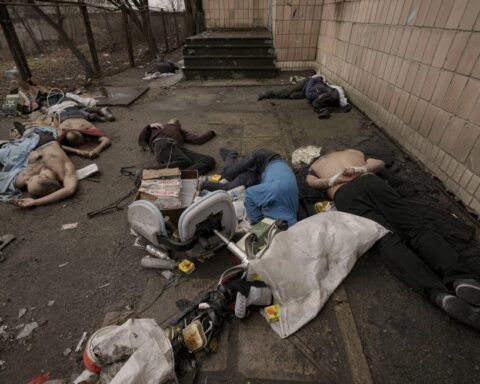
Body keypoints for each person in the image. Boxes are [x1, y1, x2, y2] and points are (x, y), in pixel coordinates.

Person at [305, 148, 480, 329]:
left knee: (386, 240)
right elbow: (379, 164)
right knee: (417, 228)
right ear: (338, 149)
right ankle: (462, 279)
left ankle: (438, 294)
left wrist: (334, 179)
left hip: (344, 193)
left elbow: (313, 183)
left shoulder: (315, 165)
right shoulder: (354, 151)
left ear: (322, 155)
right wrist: (362, 170)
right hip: (371, 182)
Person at [202, 148, 299, 227]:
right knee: (227, 175)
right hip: (262, 158)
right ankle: (231, 154)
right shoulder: (277, 191)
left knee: (228, 186)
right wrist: (257, 221)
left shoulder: (291, 216)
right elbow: (249, 193)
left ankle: (235, 165)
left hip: (260, 176)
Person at [0, 127, 78, 208]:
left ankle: (6, 144)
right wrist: (37, 202)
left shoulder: (26, 177)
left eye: (27, 183)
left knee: (6, 154)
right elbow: (70, 189)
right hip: (42, 141)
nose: (26, 182)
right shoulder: (65, 168)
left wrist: (34, 202)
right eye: (30, 180)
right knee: (26, 136)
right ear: (44, 176)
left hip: (26, 154)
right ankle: (22, 133)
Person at [138, 118, 216, 175]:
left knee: (208, 160)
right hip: (163, 143)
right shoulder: (159, 127)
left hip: (178, 148)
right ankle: (146, 172)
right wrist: (148, 127)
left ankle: (183, 176)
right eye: (173, 120)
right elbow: (141, 139)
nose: (176, 120)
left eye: (177, 122)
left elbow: (198, 140)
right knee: (184, 162)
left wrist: (211, 133)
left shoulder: (182, 132)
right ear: (168, 122)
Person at [257, 75, 351, 118]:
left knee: (293, 96)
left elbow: (341, 105)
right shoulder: (320, 87)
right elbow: (313, 80)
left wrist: (324, 110)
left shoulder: (328, 98)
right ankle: (267, 93)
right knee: (286, 92)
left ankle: (323, 110)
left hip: (308, 93)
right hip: (306, 83)